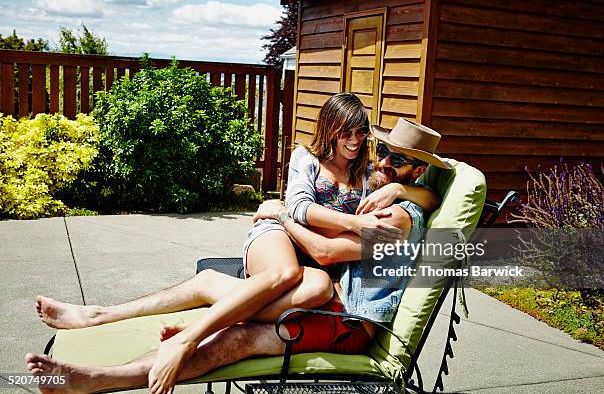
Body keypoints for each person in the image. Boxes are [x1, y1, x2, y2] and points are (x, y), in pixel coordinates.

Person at [26, 118, 451, 394]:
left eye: (401, 161)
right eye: (384, 152)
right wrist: (398, 187)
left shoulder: (394, 217)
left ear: (417, 171)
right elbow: (423, 198)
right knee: (211, 282)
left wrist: (282, 214)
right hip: (325, 297)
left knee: (238, 338)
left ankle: (100, 378)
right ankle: (98, 315)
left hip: (346, 320)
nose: (384, 161)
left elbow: (323, 250)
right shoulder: (387, 194)